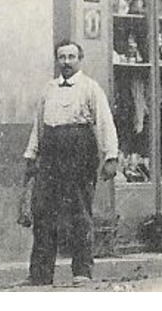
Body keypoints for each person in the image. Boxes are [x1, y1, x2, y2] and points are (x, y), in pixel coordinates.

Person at [22, 40, 119, 286]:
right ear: (57, 60)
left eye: (71, 57)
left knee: (79, 211)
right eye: (62, 57)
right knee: (43, 211)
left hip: (80, 151)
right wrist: (32, 154)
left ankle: (82, 271)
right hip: (51, 150)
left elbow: (105, 122)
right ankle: (41, 274)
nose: (66, 62)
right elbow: (39, 125)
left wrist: (111, 156)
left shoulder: (90, 88)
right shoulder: (49, 89)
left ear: (80, 59)